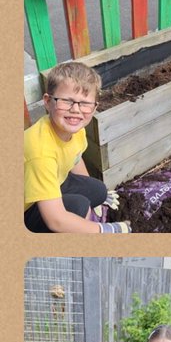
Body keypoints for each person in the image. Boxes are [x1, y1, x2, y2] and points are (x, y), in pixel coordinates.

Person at [24, 61, 128, 234]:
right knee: (78, 207)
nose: (76, 110)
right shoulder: (40, 151)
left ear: (95, 107)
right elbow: (55, 221)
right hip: (26, 207)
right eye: (66, 101)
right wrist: (102, 230)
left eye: (85, 103)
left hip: (54, 180)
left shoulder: (75, 129)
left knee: (98, 191)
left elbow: (75, 158)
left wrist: (91, 192)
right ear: (48, 101)